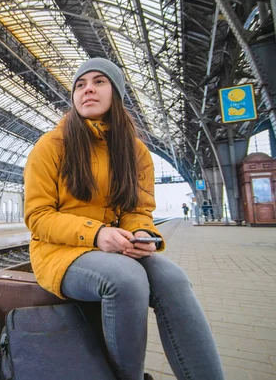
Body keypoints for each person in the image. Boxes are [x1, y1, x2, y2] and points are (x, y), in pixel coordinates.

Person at [24, 58, 224, 380]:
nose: (87, 88)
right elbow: (38, 216)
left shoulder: (136, 151)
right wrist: (97, 233)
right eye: (80, 84)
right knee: (125, 279)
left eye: (99, 81)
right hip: (57, 251)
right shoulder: (50, 146)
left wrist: (144, 235)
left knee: (173, 279)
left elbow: (137, 210)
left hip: (113, 246)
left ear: (116, 93)